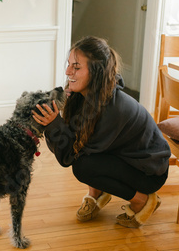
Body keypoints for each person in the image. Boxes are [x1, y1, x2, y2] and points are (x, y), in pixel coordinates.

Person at [32, 36, 171, 228]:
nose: (68, 71)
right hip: (124, 156)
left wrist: (54, 124)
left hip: (148, 172)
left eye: (76, 67)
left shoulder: (112, 109)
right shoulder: (86, 94)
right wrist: (59, 118)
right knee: (87, 155)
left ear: (96, 72)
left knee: (83, 167)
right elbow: (76, 139)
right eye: (69, 65)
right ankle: (97, 193)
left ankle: (142, 200)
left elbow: (69, 156)